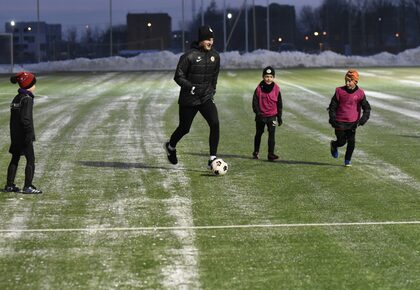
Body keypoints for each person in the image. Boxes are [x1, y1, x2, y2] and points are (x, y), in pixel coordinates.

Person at [164, 25, 220, 168]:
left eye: (212, 39)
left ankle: (212, 158)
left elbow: (214, 77)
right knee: (184, 128)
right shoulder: (188, 56)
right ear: (201, 40)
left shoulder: (215, 56)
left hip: (205, 97)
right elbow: (178, 76)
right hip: (189, 99)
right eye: (207, 39)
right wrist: (192, 87)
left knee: (215, 123)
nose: (210, 42)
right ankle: (170, 147)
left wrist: (212, 91)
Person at [3, 72, 42, 194]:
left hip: (15, 135)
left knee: (15, 158)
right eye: (33, 83)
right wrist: (29, 134)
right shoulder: (27, 99)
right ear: (28, 85)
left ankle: (9, 185)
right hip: (24, 135)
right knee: (30, 159)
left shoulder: (17, 97)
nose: (35, 85)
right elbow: (25, 119)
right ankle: (28, 186)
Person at [328, 69, 371, 167]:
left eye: (350, 81)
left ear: (355, 81)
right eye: (346, 81)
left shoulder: (360, 93)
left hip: (353, 123)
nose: (347, 83)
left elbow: (367, 108)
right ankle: (334, 145)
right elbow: (332, 107)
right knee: (342, 142)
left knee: (351, 142)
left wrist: (361, 121)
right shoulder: (339, 91)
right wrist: (332, 119)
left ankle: (347, 160)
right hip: (339, 122)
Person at [252, 66, 283, 161]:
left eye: (270, 76)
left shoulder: (277, 88)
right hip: (261, 116)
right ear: (263, 77)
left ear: (273, 77)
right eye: (266, 76)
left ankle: (271, 154)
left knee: (272, 134)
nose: (268, 78)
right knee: (259, 133)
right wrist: (258, 113)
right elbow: (255, 102)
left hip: (272, 116)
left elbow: (279, 103)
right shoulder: (258, 89)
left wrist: (279, 116)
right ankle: (256, 152)